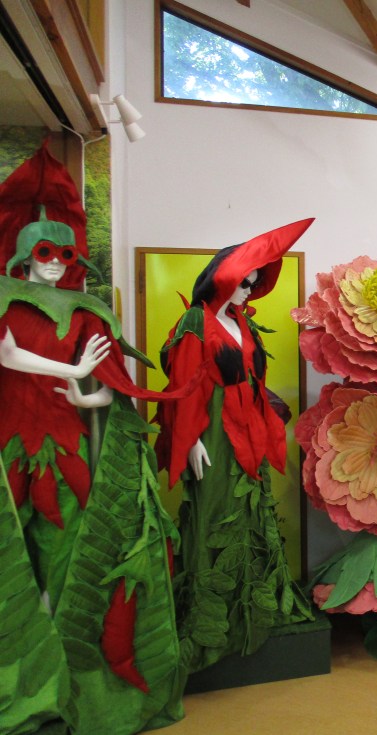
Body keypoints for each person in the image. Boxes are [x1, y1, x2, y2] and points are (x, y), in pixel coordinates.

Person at [0, 207, 186, 734]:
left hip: (67, 445)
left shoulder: (87, 312)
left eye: (65, 254)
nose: (56, 264)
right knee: (13, 545)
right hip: (12, 442)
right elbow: (8, 356)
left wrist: (87, 394)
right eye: (45, 253)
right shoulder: (6, 299)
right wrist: (73, 369)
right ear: (24, 256)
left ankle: (59, 649)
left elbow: (109, 386)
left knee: (68, 545)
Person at [154, 219, 314, 674]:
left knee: (251, 507)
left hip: (249, 429)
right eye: (243, 282)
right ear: (222, 278)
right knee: (215, 508)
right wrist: (189, 442)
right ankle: (209, 616)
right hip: (213, 433)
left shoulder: (240, 320)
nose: (248, 290)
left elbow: (254, 380)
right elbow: (184, 383)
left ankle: (250, 609)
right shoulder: (196, 321)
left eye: (254, 283)